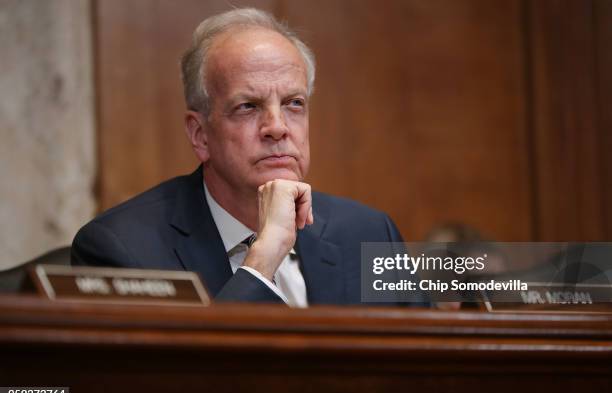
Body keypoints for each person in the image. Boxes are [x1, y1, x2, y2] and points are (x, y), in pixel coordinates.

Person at [72, 8, 425, 307]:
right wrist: (263, 258)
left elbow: (432, 369)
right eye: (248, 107)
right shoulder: (121, 252)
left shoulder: (369, 233)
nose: (277, 127)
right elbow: (187, 384)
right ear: (200, 135)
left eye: (294, 104)